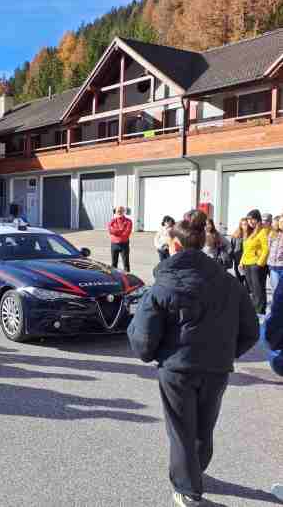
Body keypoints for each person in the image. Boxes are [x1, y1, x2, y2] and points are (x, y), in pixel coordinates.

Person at [127, 211, 259, 507]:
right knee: (202, 425)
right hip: (216, 368)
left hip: (178, 368)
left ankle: (187, 489)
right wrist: (225, 352)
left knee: (182, 428)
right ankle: (194, 472)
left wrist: (151, 353)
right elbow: (251, 331)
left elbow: (143, 338)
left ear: (175, 245)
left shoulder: (163, 285)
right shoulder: (229, 283)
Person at [240, 209, 269, 315]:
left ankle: (260, 310)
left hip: (255, 265)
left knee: (258, 289)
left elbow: (266, 249)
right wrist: (241, 261)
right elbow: (246, 249)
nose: (250, 222)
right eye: (248, 219)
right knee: (252, 289)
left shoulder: (262, 232)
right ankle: (256, 308)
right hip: (247, 263)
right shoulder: (250, 232)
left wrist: (259, 263)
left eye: (252, 219)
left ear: (257, 219)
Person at [108, 206, 132, 271]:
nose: (119, 212)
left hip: (124, 245)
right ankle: (114, 278)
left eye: (121, 211)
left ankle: (127, 279)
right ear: (115, 212)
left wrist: (116, 232)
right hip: (114, 245)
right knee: (113, 264)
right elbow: (110, 231)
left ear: (124, 212)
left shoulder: (128, 221)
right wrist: (121, 230)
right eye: (118, 211)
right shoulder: (112, 221)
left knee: (126, 264)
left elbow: (126, 233)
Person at [229, 217, 249, 290]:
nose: (245, 226)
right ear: (240, 225)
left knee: (248, 283)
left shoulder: (251, 235)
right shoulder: (236, 235)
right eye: (243, 224)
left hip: (248, 262)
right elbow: (232, 247)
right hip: (238, 261)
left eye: (246, 224)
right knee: (239, 281)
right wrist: (231, 259)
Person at [267, 215, 283, 293]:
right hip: (273, 266)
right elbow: (269, 247)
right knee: (275, 289)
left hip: (281, 265)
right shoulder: (272, 234)